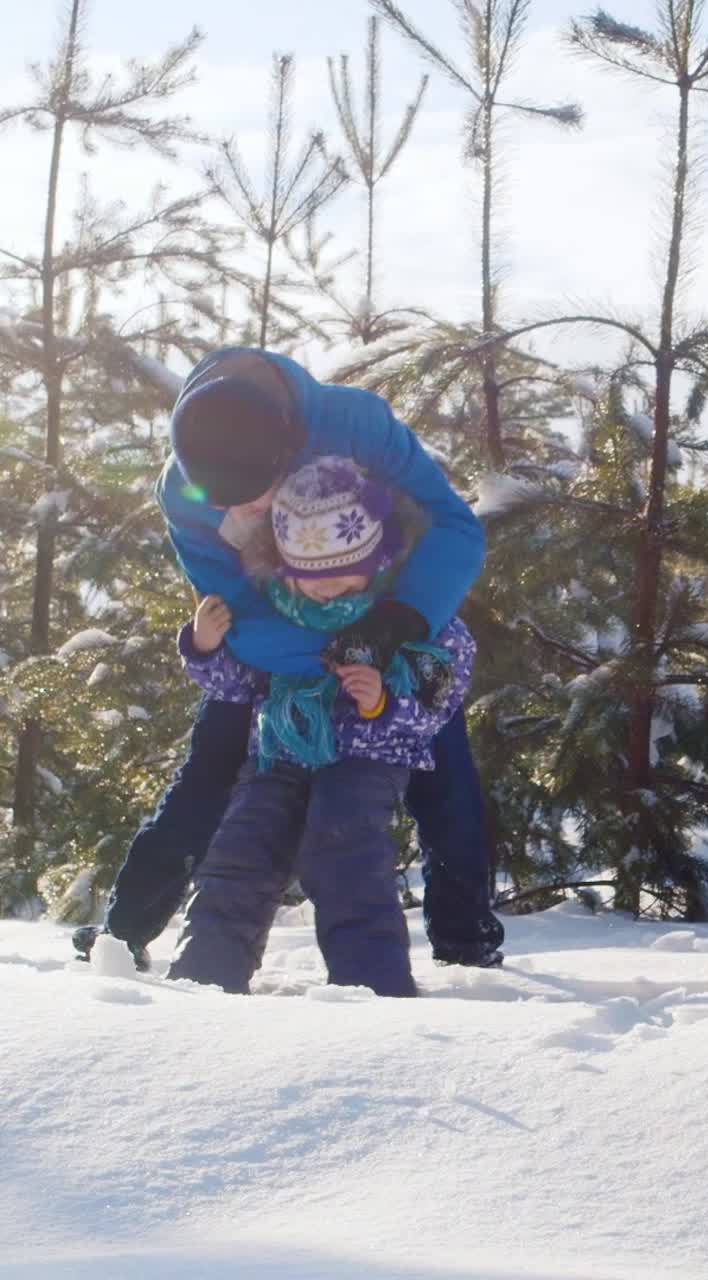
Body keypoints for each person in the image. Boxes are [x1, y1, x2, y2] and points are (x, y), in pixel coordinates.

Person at [73, 347, 504, 971]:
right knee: (207, 776)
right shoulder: (185, 489)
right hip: (272, 654)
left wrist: (399, 625)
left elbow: (454, 526)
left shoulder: (353, 425)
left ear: (289, 451)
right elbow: (233, 607)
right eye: (221, 504)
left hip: (400, 626)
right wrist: (329, 657)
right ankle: (123, 932)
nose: (237, 516)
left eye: (251, 499)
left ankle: (467, 942)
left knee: (445, 779)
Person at [168, 458, 475, 996]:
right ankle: (206, 977)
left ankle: (371, 985)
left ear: (376, 557)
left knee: (344, 851)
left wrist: (384, 701)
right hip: (280, 749)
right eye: (309, 577)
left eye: (341, 573)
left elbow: (441, 690)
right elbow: (239, 686)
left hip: (367, 756)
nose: (326, 589)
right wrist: (205, 647)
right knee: (241, 850)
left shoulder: (411, 607)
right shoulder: (271, 610)